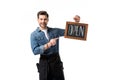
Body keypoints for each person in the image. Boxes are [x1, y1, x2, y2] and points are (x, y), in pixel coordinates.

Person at [30, 10, 80, 80]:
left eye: (45, 19)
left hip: (56, 61)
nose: (43, 21)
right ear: (38, 20)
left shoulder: (55, 31)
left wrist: (76, 23)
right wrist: (48, 44)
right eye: (41, 19)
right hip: (44, 63)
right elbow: (35, 51)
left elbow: (69, 32)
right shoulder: (33, 35)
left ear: (48, 20)